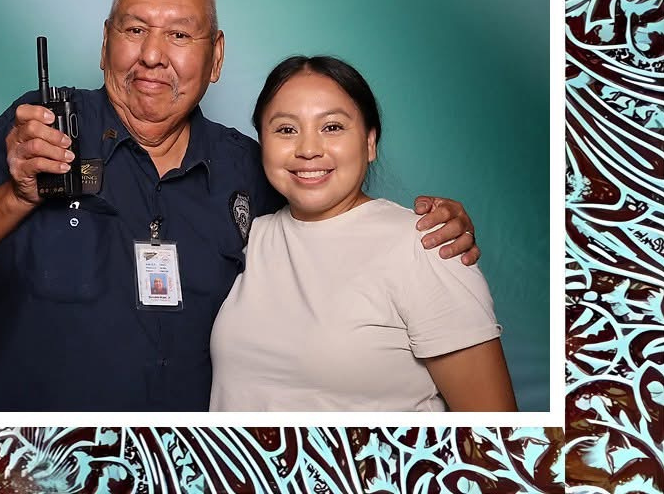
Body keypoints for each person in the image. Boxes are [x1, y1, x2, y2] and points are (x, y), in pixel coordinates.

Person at [0, 0, 482, 412]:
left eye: (180, 34)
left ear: (216, 56)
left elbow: (335, 218)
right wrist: (17, 194)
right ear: (106, 43)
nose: (153, 55)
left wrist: (426, 231)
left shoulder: (251, 169)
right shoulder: (40, 129)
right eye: (135, 30)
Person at [209, 56, 517, 411]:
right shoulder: (250, 235)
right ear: (262, 142)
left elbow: (496, 431)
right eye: (286, 130)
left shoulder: (427, 244)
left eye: (333, 127)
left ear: (370, 142)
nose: (308, 149)